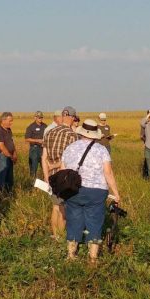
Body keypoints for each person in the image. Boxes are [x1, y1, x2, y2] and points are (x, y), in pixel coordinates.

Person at [61, 119, 122, 263]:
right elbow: (108, 173)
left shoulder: (70, 148)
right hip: (96, 191)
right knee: (94, 221)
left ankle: (71, 255)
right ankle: (93, 258)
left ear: (82, 132)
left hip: (73, 191)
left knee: (74, 220)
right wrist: (116, 192)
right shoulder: (102, 150)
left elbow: (62, 171)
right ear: (95, 134)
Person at [42, 107, 78, 238]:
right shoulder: (72, 135)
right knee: (63, 208)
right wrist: (56, 165)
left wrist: (46, 176)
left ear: (63, 116)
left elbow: (43, 157)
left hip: (51, 177)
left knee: (55, 207)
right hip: (64, 177)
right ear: (73, 118)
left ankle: (55, 235)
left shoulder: (49, 132)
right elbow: (69, 159)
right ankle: (61, 237)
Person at [0, 112, 17, 194]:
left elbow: (12, 143)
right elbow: (2, 147)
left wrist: (14, 154)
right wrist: (11, 156)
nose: (11, 123)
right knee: (2, 178)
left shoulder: (9, 130)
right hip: (2, 157)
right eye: (10, 121)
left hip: (9, 157)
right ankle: (1, 196)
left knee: (9, 178)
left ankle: (8, 194)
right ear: (3, 120)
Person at [24, 111, 46, 179]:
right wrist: (37, 140)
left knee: (44, 167)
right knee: (33, 168)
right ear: (35, 117)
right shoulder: (31, 127)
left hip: (43, 149)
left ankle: (45, 183)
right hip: (34, 149)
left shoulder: (45, 126)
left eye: (41, 117)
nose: (40, 119)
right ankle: (32, 183)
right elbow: (27, 139)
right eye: (39, 117)